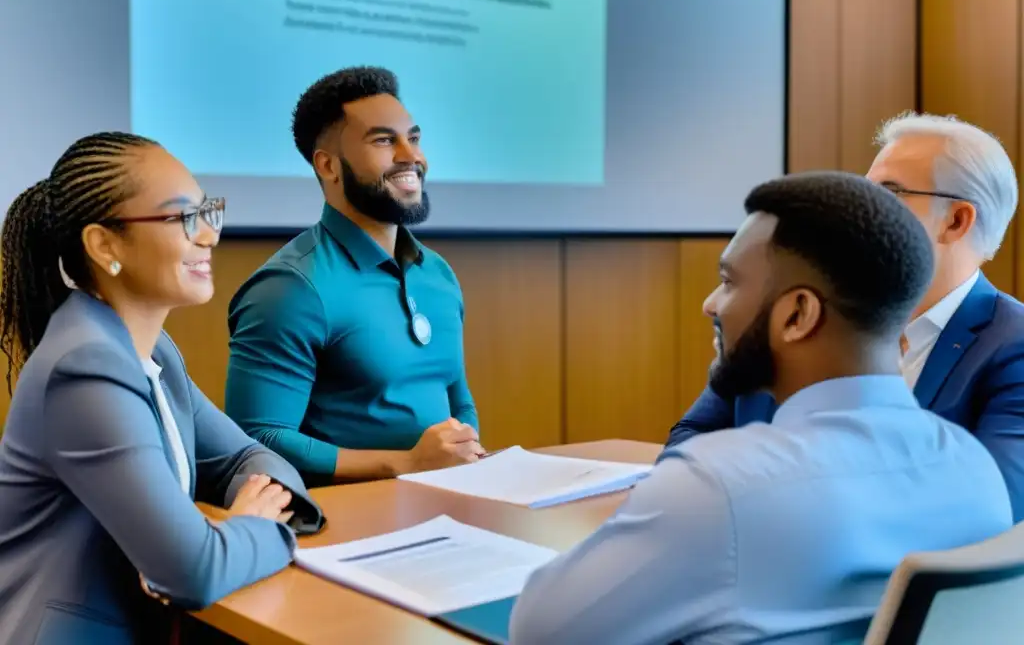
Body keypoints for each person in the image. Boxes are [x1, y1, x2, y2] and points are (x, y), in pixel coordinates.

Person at [510, 172, 1013, 645]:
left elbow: (539, 631)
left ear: (798, 315)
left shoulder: (721, 489)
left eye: (729, 281)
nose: (711, 304)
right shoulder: (974, 470)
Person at [0, 133, 324, 645]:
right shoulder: (83, 368)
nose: (209, 236)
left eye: (207, 211)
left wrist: (251, 513)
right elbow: (193, 571)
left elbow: (243, 457)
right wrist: (256, 528)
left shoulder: (154, 351)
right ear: (104, 245)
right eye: (181, 218)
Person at [666, 112, 1024, 520]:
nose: (860, 215)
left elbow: (998, 502)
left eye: (886, 195)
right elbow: (688, 440)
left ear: (956, 221)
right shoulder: (812, 313)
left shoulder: (1013, 345)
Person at [224, 67, 481, 484]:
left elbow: (458, 401)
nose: (411, 156)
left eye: (413, 138)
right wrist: (404, 465)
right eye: (384, 140)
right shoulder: (289, 288)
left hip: (444, 510)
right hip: (345, 527)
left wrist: (465, 457)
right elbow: (257, 437)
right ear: (328, 165)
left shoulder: (438, 273)